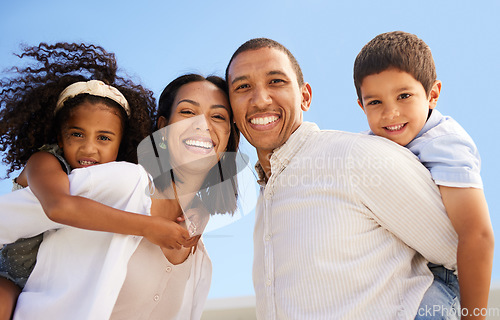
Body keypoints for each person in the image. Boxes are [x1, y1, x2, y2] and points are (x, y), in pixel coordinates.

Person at [225, 37, 461, 319]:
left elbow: (459, 251)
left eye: (276, 81)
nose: (261, 99)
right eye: (243, 87)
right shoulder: (267, 198)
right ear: (231, 111)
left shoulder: (357, 156)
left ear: (305, 97)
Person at [0, 43, 238, 319]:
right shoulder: (123, 181)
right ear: (162, 129)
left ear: (229, 137)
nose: (202, 124)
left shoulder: (198, 253)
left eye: (218, 116)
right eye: (187, 112)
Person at [353, 31, 493, 319]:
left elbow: (476, 234)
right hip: (388, 274)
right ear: (361, 106)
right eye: (375, 102)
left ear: (432, 95)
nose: (391, 113)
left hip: (436, 278)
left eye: (404, 96)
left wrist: (474, 316)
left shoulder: (443, 143)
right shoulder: (369, 147)